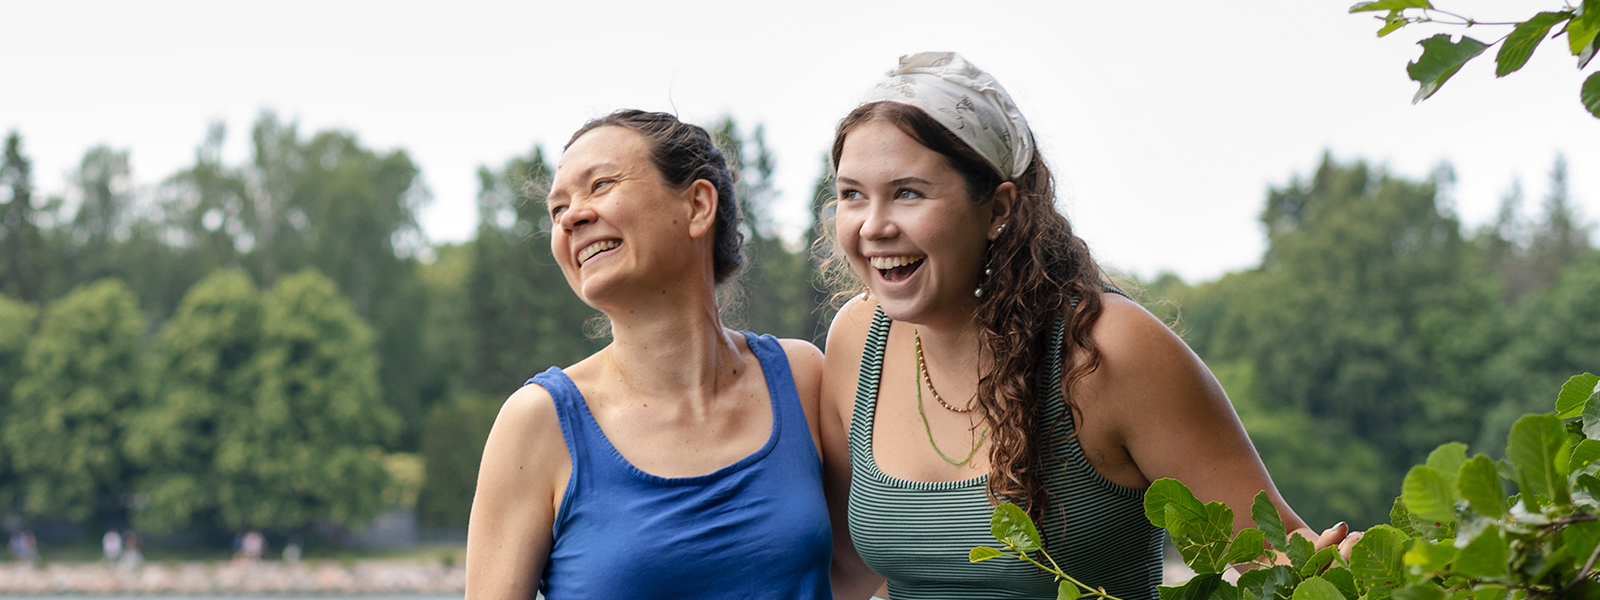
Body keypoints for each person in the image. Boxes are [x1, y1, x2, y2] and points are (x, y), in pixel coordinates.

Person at [819, 52, 1360, 600]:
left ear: (999, 209)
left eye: (908, 192)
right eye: (852, 195)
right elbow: (849, 578)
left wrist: (1362, 570)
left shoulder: (1110, 352)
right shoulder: (856, 342)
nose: (873, 226)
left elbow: (1276, 559)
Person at [465, 110, 831, 600]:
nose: (572, 216)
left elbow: (888, 564)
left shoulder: (803, 378)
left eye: (600, 185)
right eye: (557, 210)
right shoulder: (538, 422)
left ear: (698, 206)